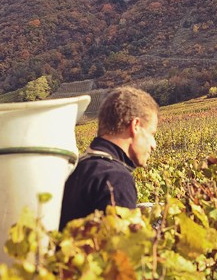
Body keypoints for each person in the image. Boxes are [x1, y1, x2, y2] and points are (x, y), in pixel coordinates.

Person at [58, 86, 158, 229]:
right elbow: (121, 248)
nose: (153, 145)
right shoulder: (115, 179)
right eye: (152, 133)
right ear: (135, 126)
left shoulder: (79, 167)